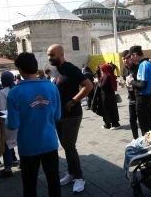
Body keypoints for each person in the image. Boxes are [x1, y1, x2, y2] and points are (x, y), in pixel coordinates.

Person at [6, 52, 62, 197]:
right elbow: (57, 115)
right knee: (54, 181)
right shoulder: (51, 87)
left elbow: (13, 124)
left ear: (19, 69)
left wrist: (5, 119)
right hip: (49, 143)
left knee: (29, 185)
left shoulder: (15, 92)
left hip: (28, 146)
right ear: (36, 66)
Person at [47, 44, 93, 194]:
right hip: (59, 115)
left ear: (61, 54)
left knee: (69, 145)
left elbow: (88, 85)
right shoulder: (55, 70)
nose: (50, 58)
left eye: (52, 55)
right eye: (48, 55)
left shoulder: (70, 68)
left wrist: (74, 101)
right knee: (65, 145)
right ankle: (71, 173)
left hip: (72, 115)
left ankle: (79, 177)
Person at [126, 46, 151, 136]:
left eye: (131, 56)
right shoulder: (149, 63)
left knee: (144, 124)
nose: (131, 59)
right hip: (148, 96)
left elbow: (142, 85)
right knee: (149, 122)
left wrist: (131, 81)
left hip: (142, 97)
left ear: (135, 55)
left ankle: (147, 144)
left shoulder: (143, 65)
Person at [0, 71, 19, 178]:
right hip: (21, 121)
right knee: (20, 142)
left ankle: (8, 169)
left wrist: (5, 121)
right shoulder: (17, 89)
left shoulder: (3, 92)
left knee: (7, 145)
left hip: (9, 122)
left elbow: (1, 110)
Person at [121, 50, 140, 139]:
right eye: (124, 59)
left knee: (142, 120)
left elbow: (141, 83)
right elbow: (126, 81)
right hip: (131, 97)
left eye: (128, 58)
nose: (125, 60)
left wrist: (132, 82)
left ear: (132, 58)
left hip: (139, 97)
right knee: (132, 120)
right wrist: (123, 83)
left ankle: (146, 139)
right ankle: (135, 138)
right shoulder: (124, 70)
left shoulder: (138, 68)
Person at [99, 64, 120, 129]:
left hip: (107, 96)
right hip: (110, 95)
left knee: (108, 110)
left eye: (102, 70)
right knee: (110, 110)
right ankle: (109, 123)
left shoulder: (107, 76)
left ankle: (113, 124)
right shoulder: (111, 75)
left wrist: (97, 83)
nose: (101, 71)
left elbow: (102, 86)